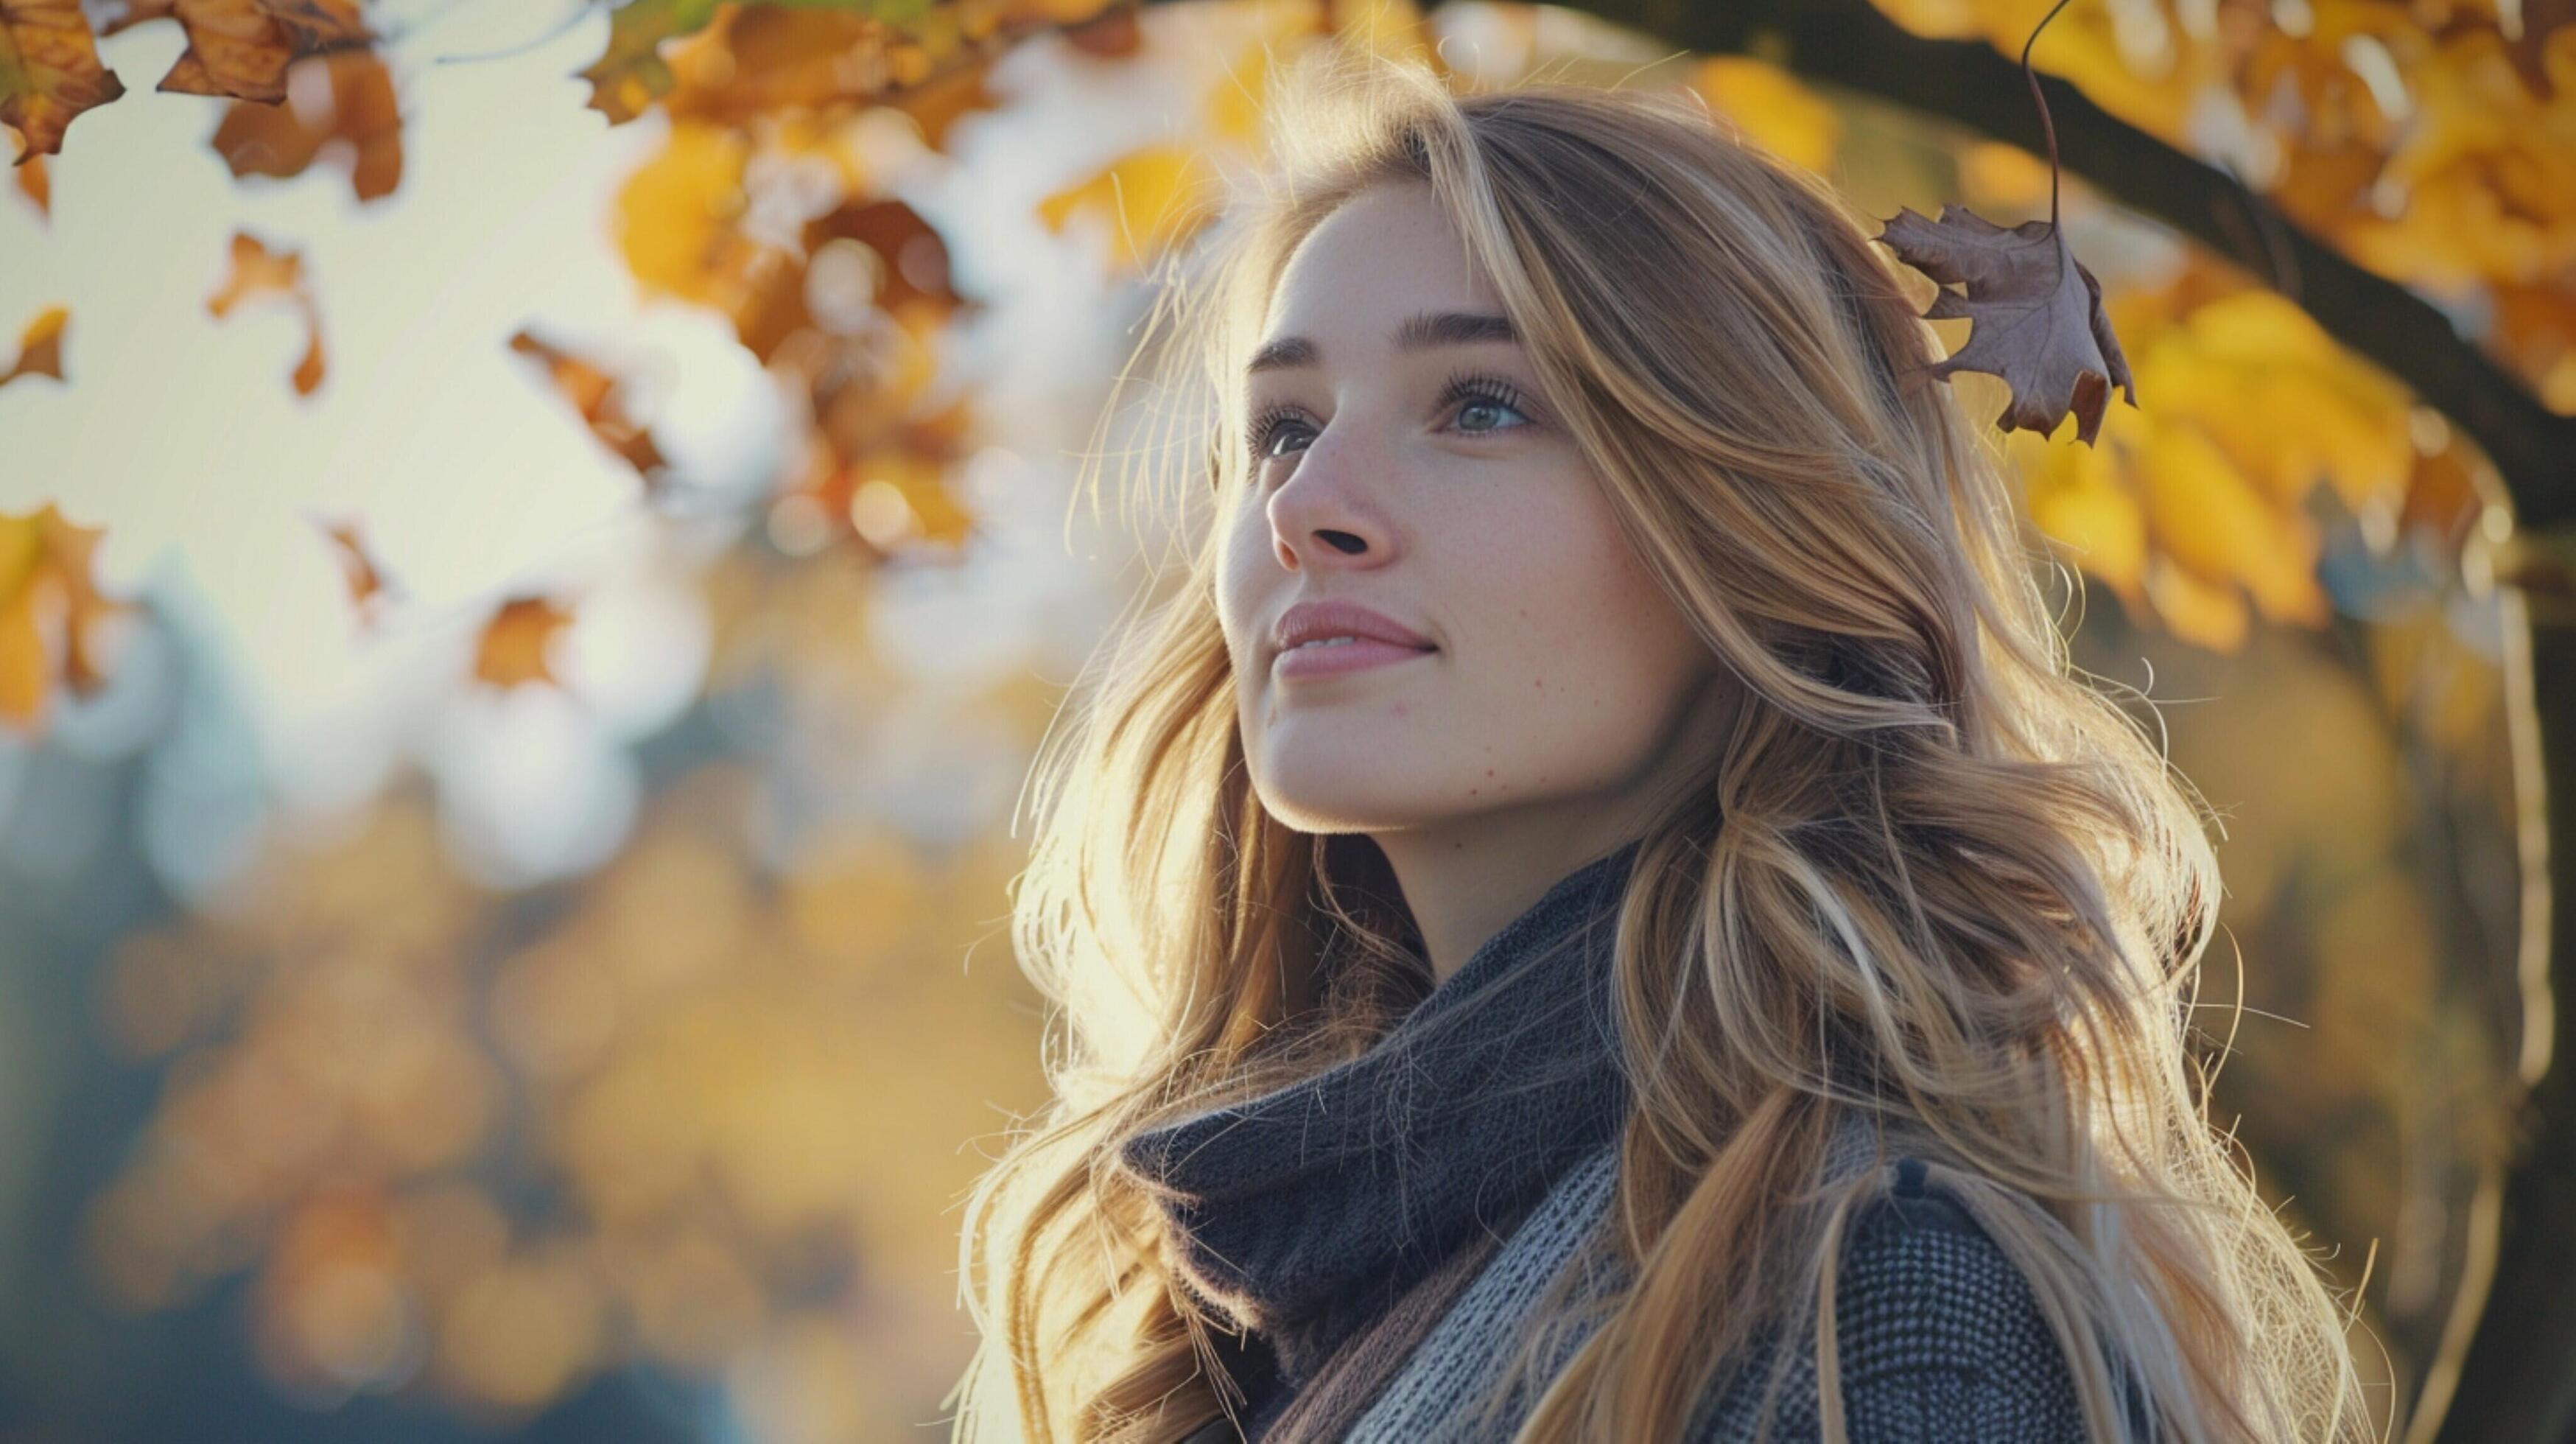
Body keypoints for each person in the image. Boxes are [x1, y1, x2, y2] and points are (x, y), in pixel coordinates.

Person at [947, 40, 2378, 1444]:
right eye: (1282, 425)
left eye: (1483, 403)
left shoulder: (1874, 1298)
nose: (1306, 502)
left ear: (1747, 531)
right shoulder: (1231, 1315)